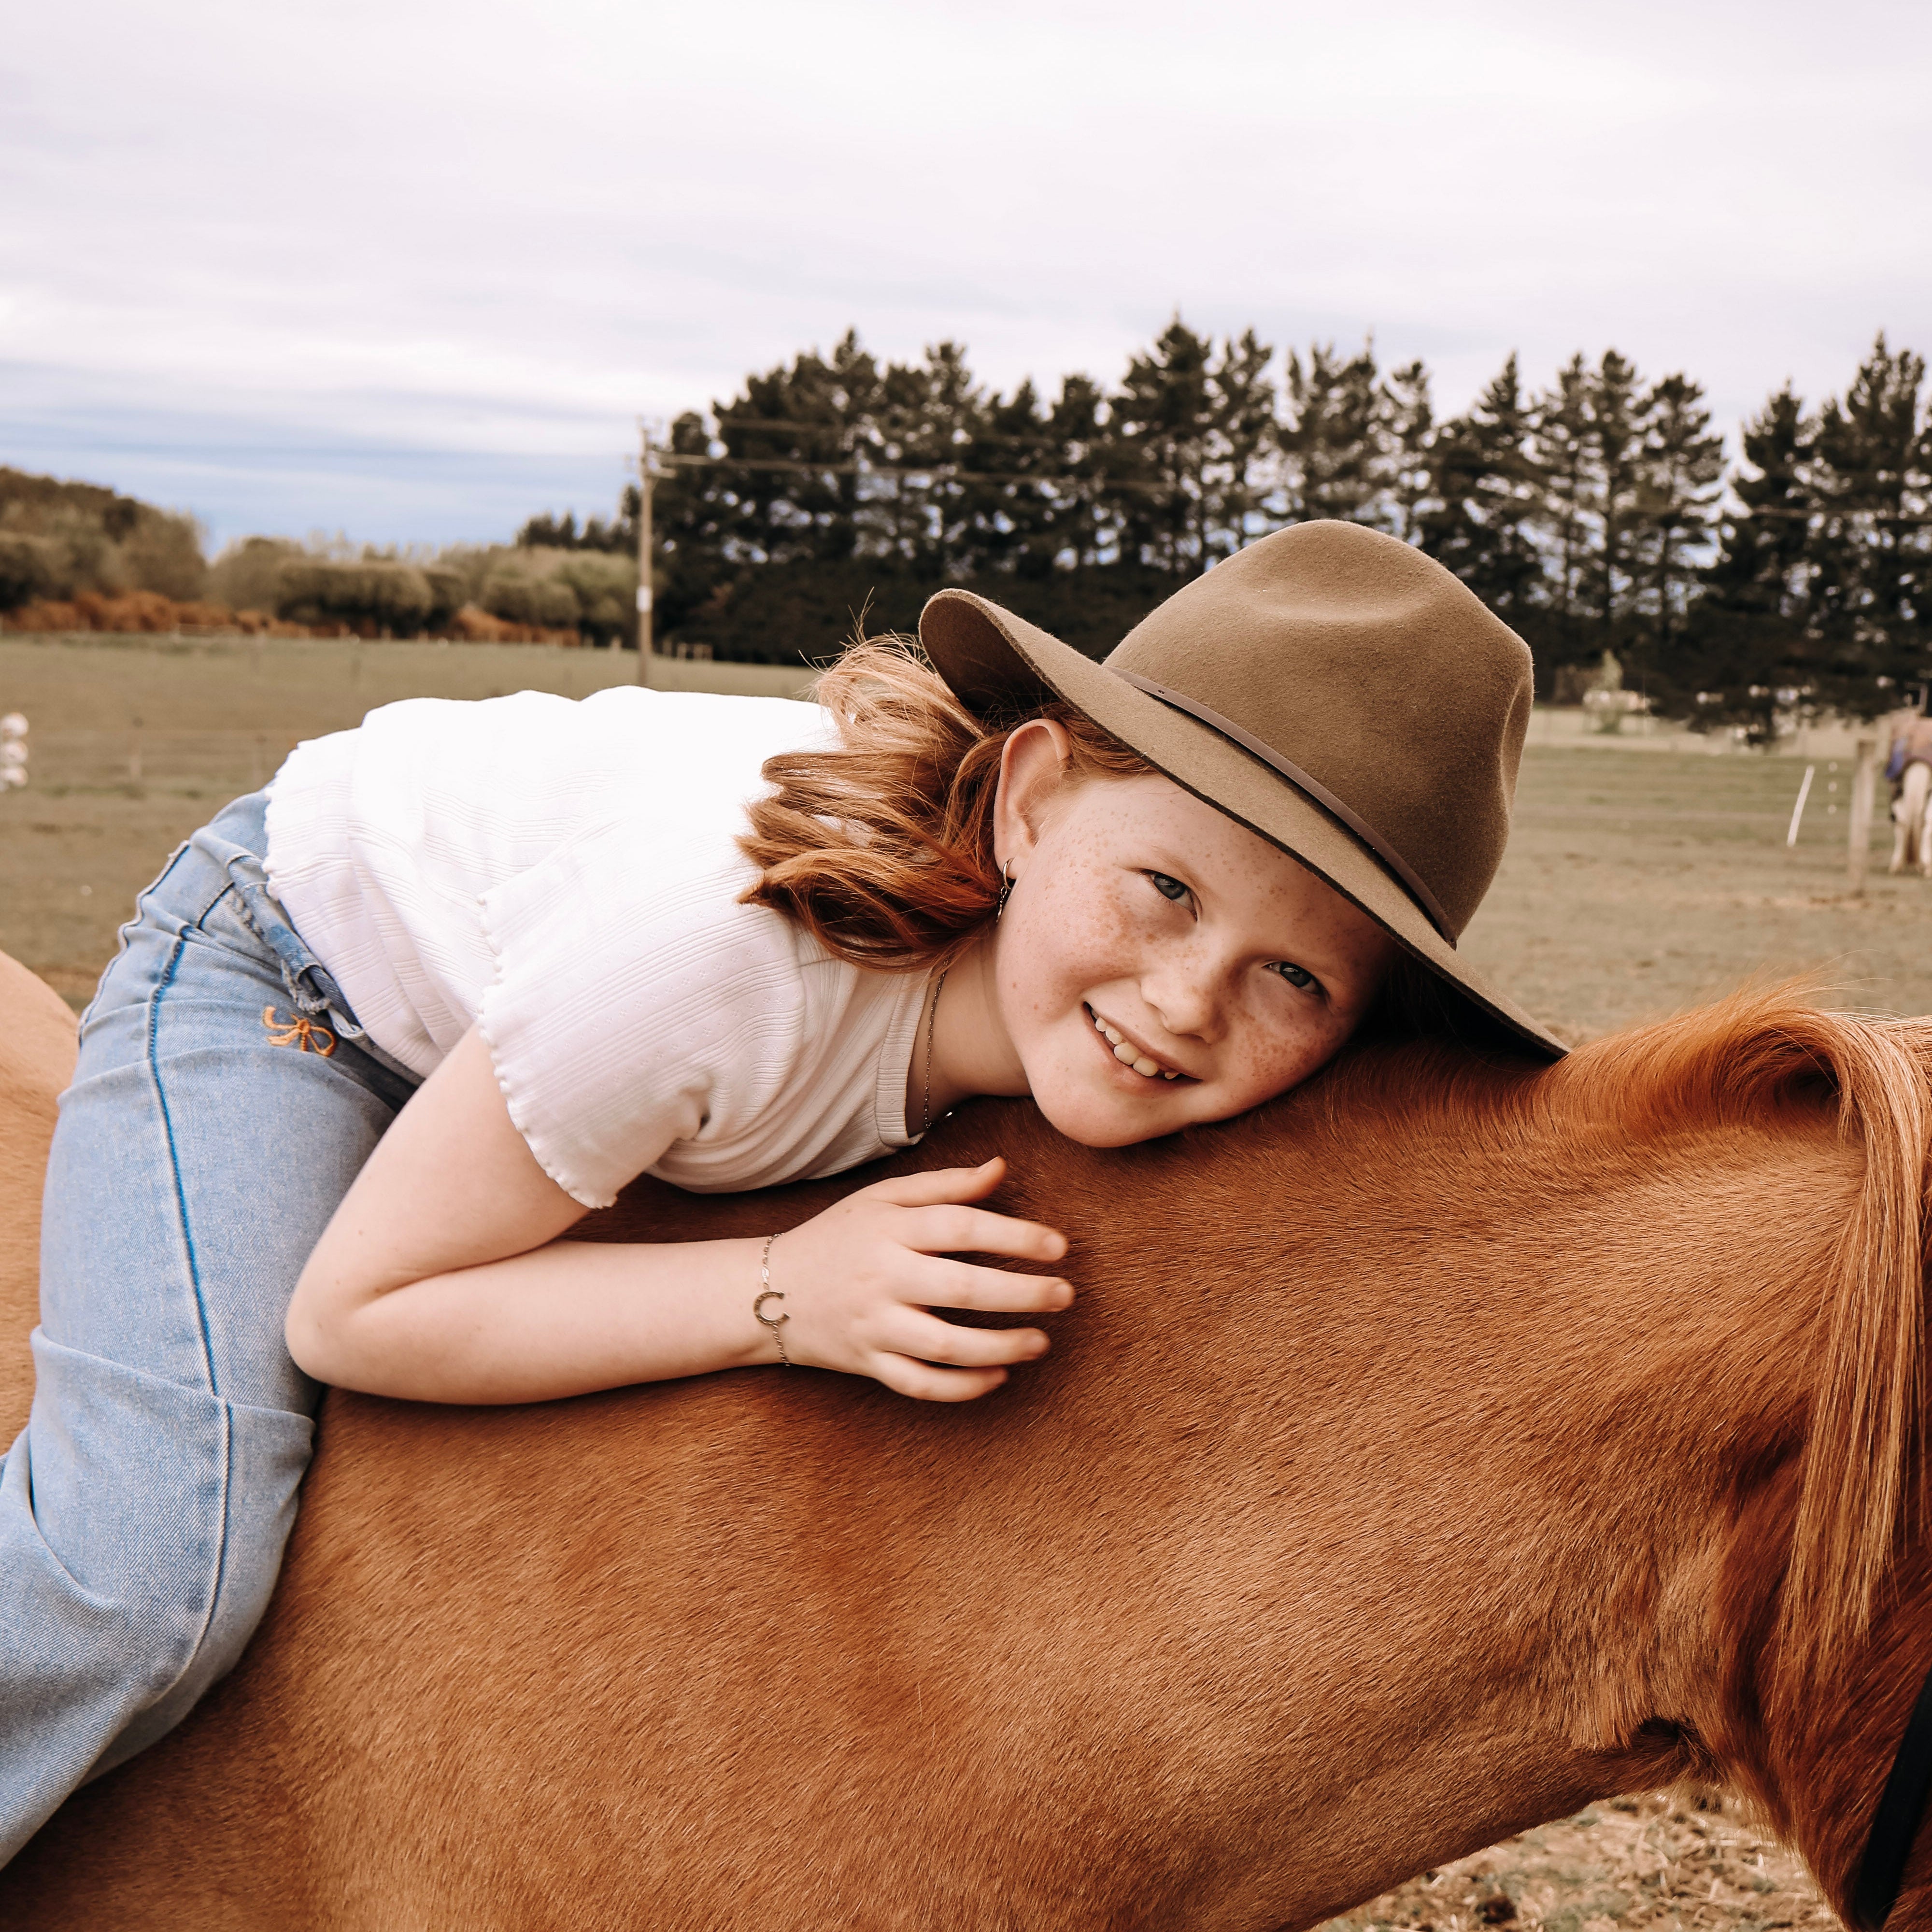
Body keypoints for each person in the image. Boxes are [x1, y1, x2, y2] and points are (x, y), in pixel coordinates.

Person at [0, 518, 1560, 1860]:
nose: (1185, 1001)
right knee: (154, 1566)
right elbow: (360, 1311)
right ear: (1031, 800)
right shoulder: (727, 967)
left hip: (555, 1034)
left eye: (1295, 976)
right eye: (1165, 889)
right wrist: (780, 1294)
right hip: (302, 973)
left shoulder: (1081, 1010)